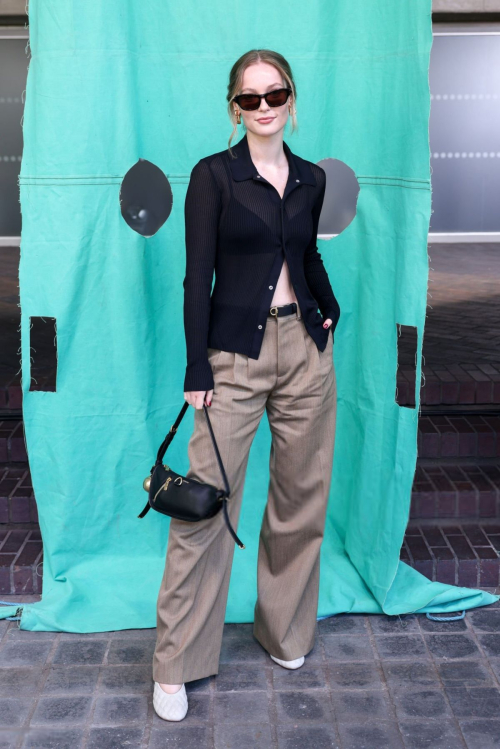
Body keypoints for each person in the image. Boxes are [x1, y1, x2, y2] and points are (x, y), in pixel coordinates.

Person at [152, 48, 341, 722]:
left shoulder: (312, 178)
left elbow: (306, 252)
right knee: (204, 506)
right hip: (232, 354)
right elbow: (195, 273)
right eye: (250, 98)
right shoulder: (213, 177)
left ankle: (284, 631)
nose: (264, 107)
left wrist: (328, 307)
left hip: (305, 351)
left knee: (300, 498)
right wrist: (195, 367)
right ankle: (176, 662)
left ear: (292, 99)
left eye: (275, 94)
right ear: (234, 107)